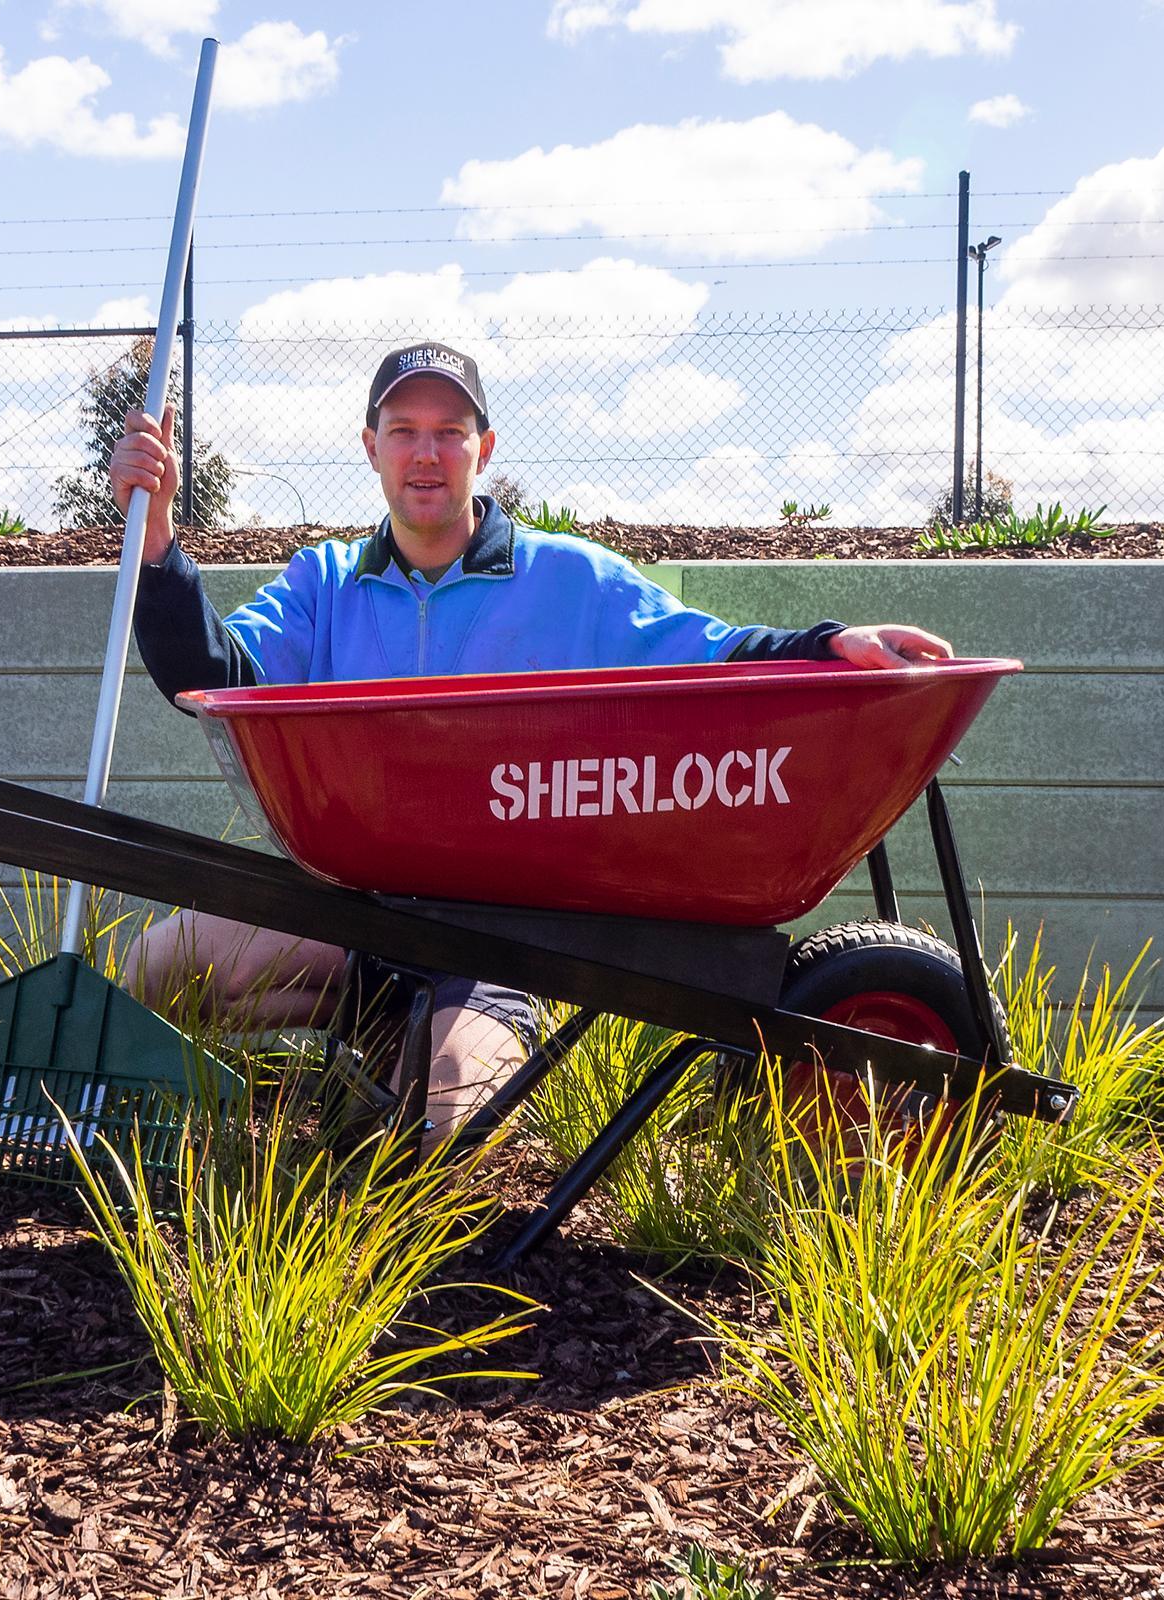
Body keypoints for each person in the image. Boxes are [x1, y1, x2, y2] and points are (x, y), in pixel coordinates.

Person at [111, 341, 952, 1144]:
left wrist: (829, 644)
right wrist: (158, 555)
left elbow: (713, 651)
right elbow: (211, 672)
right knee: (153, 969)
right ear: (371, 448)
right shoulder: (325, 585)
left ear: (485, 447)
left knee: (442, 1134)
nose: (427, 454)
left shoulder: (567, 579)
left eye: (450, 432)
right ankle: (317, 1058)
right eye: (404, 432)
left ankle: (427, 1057)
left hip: (500, 948)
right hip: (360, 921)